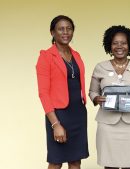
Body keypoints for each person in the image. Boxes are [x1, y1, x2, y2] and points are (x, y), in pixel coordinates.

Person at [89, 25, 130, 169]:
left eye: (123, 43)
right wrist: (96, 98)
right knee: (109, 164)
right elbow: (92, 91)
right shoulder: (100, 67)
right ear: (109, 45)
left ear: (129, 45)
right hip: (107, 124)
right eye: (115, 43)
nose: (119, 46)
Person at [36, 15, 89, 169]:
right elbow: (43, 93)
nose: (65, 32)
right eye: (61, 29)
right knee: (56, 161)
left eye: (69, 28)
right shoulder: (45, 57)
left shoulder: (76, 55)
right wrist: (55, 123)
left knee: (75, 161)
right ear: (52, 32)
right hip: (58, 114)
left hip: (78, 113)